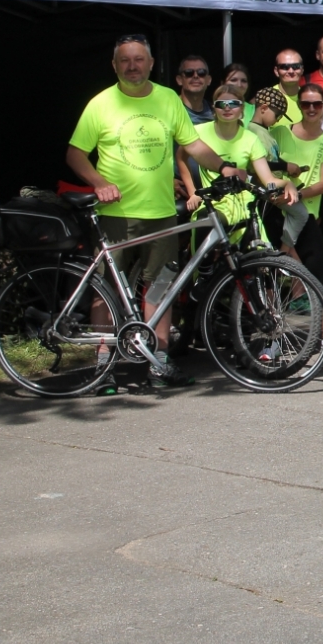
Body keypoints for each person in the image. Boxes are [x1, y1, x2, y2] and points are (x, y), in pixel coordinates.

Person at [67, 34, 225, 387]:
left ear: (151, 64)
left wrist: (225, 167)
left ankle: (159, 363)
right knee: (106, 290)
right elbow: (75, 154)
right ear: (114, 65)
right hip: (116, 213)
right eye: (125, 60)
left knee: (161, 288)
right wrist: (98, 182)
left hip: (161, 213)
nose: (132, 66)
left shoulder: (167, 99)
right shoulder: (101, 104)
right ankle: (104, 366)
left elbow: (194, 145)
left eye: (139, 59)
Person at [179, 84, 297, 242]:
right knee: (206, 227)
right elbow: (181, 158)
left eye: (233, 103)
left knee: (259, 252)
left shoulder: (251, 139)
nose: (227, 108)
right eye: (222, 104)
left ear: (242, 108)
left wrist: (287, 183)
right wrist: (193, 192)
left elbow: (268, 180)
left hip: (244, 205)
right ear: (214, 107)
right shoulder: (198, 132)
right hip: (213, 205)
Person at [273, 83, 323, 288]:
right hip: (275, 211)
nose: (311, 109)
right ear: (299, 105)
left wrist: (296, 195)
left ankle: (321, 312)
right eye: (305, 104)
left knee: (319, 279)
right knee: (268, 278)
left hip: (307, 215)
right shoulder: (280, 132)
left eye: (316, 104)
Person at [175, 54, 213, 125]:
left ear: (209, 80)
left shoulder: (216, 113)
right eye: (189, 72)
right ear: (179, 80)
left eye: (201, 72)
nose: (195, 76)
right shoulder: (170, 109)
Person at [272, 50, 306, 126]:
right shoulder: (267, 98)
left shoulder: (310, 98)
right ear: (276, 71)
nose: (291, 71)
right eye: (284, 67)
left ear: (302, 70)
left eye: (296, 66)